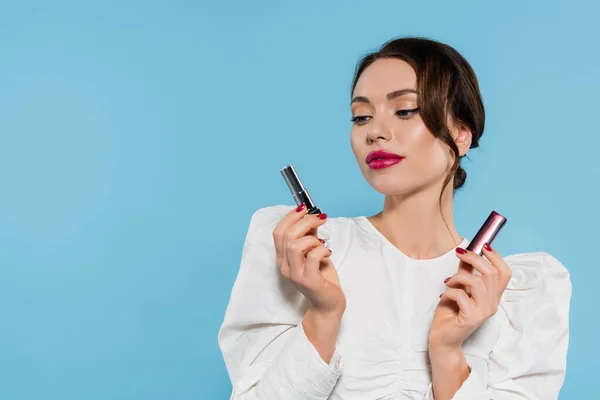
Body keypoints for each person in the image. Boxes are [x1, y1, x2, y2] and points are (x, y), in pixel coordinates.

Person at [217, 37, 572, 399]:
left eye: (404, 111)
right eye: (361, 117)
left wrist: (448, 355)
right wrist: (323, 315)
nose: (375, 131)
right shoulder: (304, 253)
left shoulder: (513, 294)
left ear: (462, 134)